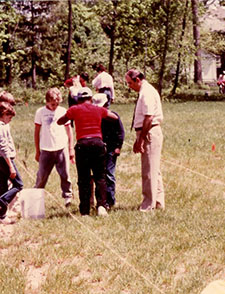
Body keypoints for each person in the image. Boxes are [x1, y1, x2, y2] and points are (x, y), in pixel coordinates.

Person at [57, 87, 119, 217]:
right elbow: (114, 117)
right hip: (97, 144)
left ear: (78, 99)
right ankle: (101, 205)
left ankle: (85, 210)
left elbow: (60, 121)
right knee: (100, 176)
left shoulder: (74, 109)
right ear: (91, 98)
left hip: (82, 145)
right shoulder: (98, 109)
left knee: (84, 178)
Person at [124, 69, 164, 212]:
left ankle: (148, 205)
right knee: (154, 169)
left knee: (148, 171)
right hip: (147, 131)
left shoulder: (146, 92)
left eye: (130, 83)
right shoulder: (145, 91)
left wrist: (141, 139)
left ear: (137, 80)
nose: (129, 86)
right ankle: (158, 201)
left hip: (149, 131)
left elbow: (149, 117)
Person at [34, 88, 74, 207]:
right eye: (52, 104)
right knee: (41, 176)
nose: (54, 107)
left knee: (65, 174)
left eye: (56, 104)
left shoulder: (62, 111)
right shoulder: (40, 112)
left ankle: (68, 197)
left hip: (61, 147)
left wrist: (71, 147)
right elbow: (36, 132)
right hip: (46, 149)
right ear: (46, 101)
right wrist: (37, 150)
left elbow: (69, 130)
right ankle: (36, 199)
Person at [0, 102, 23, 224]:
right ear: (3, 114)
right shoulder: (1, 127)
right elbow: (3, 147)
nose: (10, 120)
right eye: (9, 117)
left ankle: (1, 217)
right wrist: (11, 166)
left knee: (3, 186)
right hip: (4, 160)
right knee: (18, 185)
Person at [92, 93, 124, 208]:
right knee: (99, 176)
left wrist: (118, 147)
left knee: (109, 175)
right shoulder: (94, 116)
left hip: (110, 149)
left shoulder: (113, 117)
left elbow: (120, 132)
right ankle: (100, 201)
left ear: (106, 104)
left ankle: (110, 200)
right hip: (98, 149)